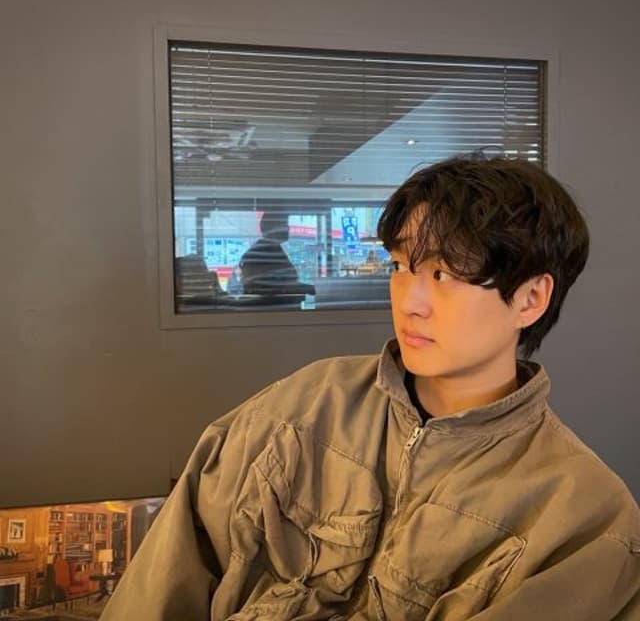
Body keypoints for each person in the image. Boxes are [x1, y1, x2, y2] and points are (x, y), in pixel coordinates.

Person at [101, 156, 639, 620]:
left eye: (444, 274)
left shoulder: (582, 516)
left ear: (530, 299)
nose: (409, 301)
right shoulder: (305, 404)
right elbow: (164, 578)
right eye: (401, 266)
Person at [238, 211, 315, 296]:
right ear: (273, 228)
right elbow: (279, 288)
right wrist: (311, 289)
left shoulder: (271, 249)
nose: (288, 228)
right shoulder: (263, 253)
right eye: (284, 224)